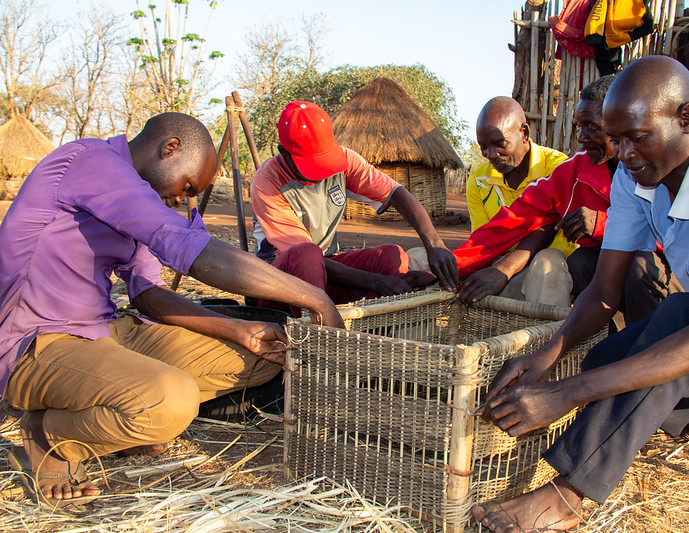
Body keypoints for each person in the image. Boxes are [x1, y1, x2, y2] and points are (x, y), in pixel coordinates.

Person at [473, 56, 689, 532]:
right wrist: (547, 356)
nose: (623, 153)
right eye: (617, 138)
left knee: (683, 318)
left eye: (637, 137)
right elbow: (604, 292)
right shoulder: (635, 175)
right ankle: (671, 413)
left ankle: (567, 495)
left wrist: (567, 393)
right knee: (606, 356)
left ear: (686, 119)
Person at [0, 112, 344, 509]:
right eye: (187, 185)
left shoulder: (138, 195)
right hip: (36, 341)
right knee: (169, 403)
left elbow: (148, 293)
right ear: (171, 149)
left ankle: (120, 417)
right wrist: (316, 298)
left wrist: (238, 331)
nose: (183, 198)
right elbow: (193, 253)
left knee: (265, 356)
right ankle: (48, 437)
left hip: (105, 330)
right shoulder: (90, 162)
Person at [454, 76, 677, 326]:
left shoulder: (661, 164)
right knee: (582, 263)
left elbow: (672, 234)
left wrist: (602, 224)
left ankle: (650, 347)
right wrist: (452, 265)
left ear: (619, 122)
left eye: (592, 126)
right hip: (623, 266)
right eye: (580, 126)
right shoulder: (575, 171)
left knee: (640, 267)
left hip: (678, 274)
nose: (581, 137)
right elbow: (514, 219)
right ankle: (603, 339)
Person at [249, 101, 459, 310]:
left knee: (389, 256)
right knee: (308, 256)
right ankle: (313, 334)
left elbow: (396, 192)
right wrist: (375, 281)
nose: (322, 173)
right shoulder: (267, 182)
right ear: (284, 153)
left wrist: (434, 244)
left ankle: (375, 332)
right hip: (279, 284)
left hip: (325, 270)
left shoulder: (345, 160)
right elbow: (304, 258)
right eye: (312, 165)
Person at [466, 97, 567, 233]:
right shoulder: (479, 180)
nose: (490, 154)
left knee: (548, 256)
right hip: (501, 253)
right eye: (483, 146)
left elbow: (564, 238)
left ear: (524, 133)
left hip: (545, 251)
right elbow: (482, 236)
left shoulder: (558, 168)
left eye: (499, 144)